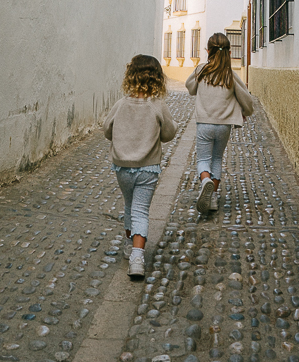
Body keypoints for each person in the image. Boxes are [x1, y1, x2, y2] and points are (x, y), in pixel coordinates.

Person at [104, 54, 176, 280]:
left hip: (123, 167)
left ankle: (129, 243)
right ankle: (137, 257)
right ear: (157, 78)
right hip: (148, 168)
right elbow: (169, 133)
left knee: (129, 206)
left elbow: (107, 130)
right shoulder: (157, 105)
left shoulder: (121, 104)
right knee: (141, 210)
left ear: (130, 76)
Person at [185, 31, 254, 215]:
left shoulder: (201, 70)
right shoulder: (230, 74)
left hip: (204, 124)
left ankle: (205, 180)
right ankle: (212, 197)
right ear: (229, 53)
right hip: (224, 126)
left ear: (208, 51)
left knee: (203, 159)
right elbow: (245, 98)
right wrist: (244, 112)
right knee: (217, 159)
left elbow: (190, 87)